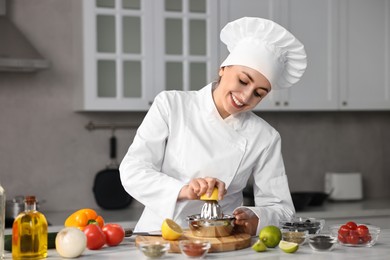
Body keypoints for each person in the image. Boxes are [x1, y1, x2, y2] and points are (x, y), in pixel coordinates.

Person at [119, 17, 307, 235]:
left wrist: (256, 216)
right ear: (223, 68)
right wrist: (183, 190)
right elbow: (133, 170)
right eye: (243, 81)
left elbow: (282, 208)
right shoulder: (172, 105)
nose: (245, 96)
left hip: (224, 239)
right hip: (159, 235)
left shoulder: (265, 136)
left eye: (258, 93)